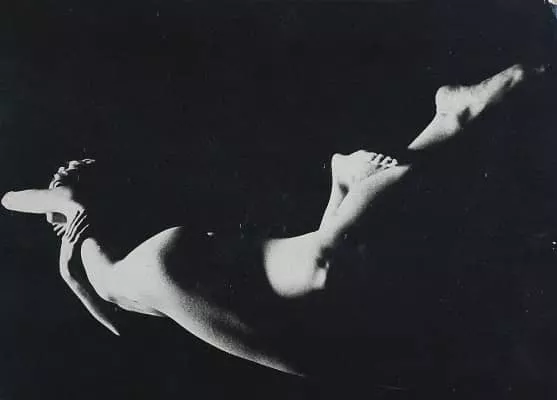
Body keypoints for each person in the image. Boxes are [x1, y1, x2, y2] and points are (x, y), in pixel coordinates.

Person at [1, 63, 543, 376]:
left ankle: (437, 126)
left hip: (169, 266)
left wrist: (60, 207)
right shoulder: (89, 261)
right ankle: (411, 139)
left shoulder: (75, 213)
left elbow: (7, 199)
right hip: (179, 278)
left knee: (324, 276)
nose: (65, 175)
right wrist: (70, 273)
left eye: (69, 174)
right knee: (323, 277)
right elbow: (117, 327)